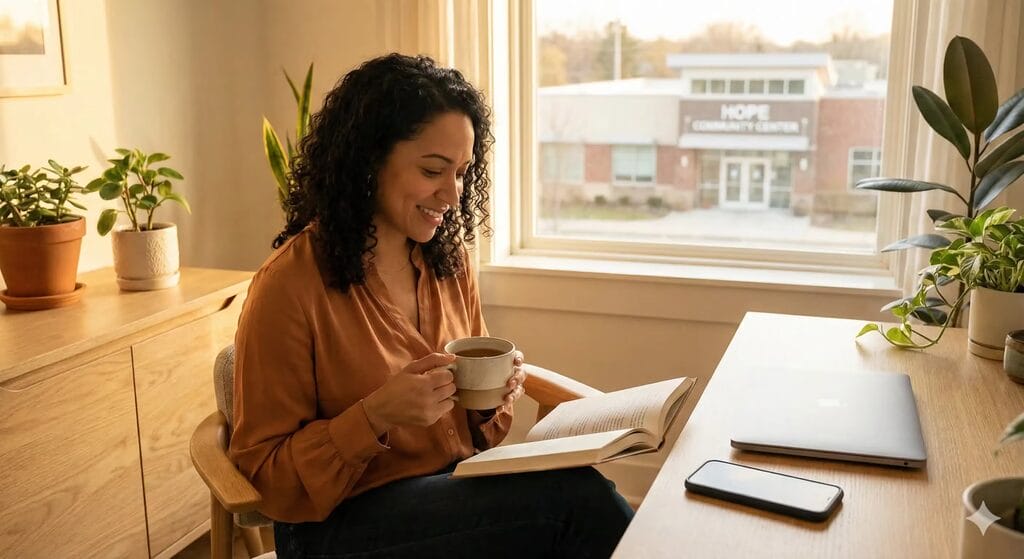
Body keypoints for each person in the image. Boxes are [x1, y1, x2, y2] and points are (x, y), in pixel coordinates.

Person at [229, 53, 634, 559]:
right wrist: (374, 416)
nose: (453, 194)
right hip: (337, 526)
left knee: (571, 496)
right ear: (368, 159)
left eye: (463, 172)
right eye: (432, 170)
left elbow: (477, 433)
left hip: (449, 493)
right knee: (572, 504)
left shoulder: (449, 262)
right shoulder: (290, 285)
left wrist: (494, 397)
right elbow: (265, 477)